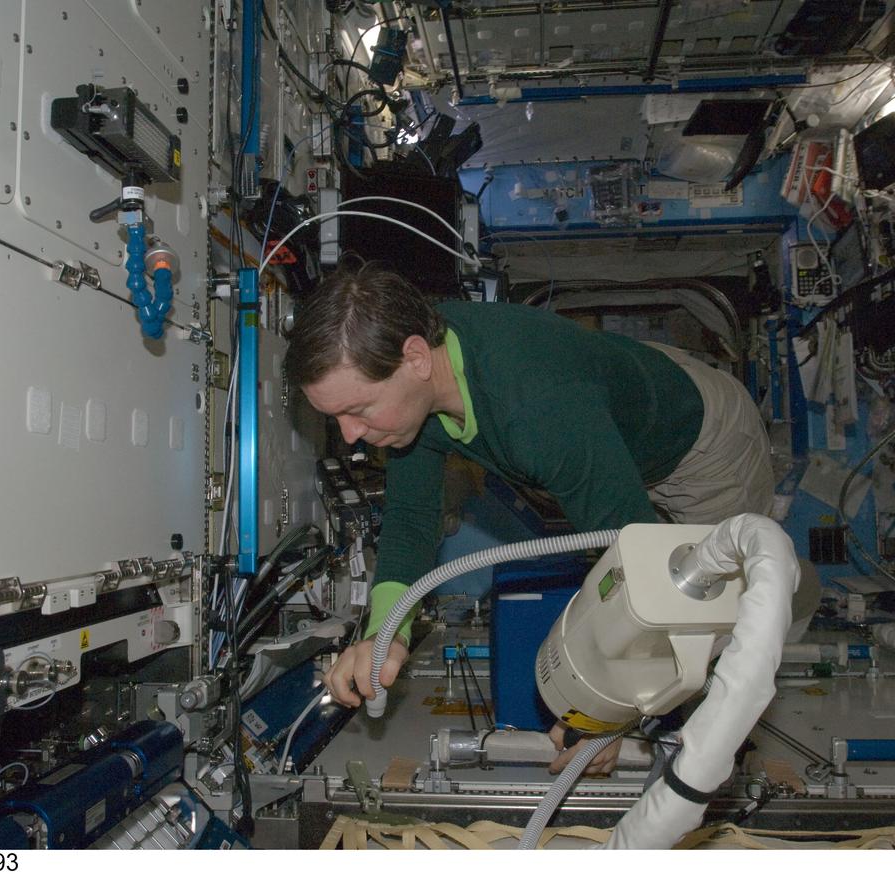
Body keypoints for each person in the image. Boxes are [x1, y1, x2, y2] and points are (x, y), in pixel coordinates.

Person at [285, 265, 777, 776]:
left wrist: (611, 713)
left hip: (698, 443)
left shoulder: (537, 409)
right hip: (611, 408)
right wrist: (384, 636)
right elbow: (411, 517)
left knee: (710, 619)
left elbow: (640, 570)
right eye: (335, 418)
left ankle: (718, 767)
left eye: (359, 410)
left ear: (414, 358)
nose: (349, 436)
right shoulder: (418, 382)